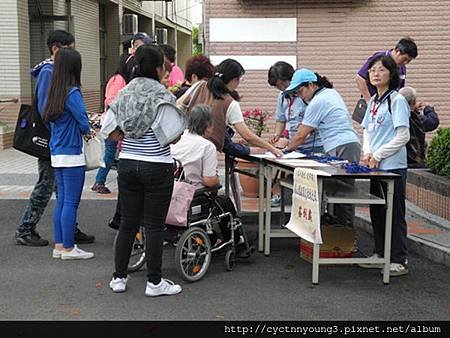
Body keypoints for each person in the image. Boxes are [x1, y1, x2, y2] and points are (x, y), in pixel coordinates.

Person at [106, 45, 182, 296]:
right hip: (157, 165)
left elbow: (109, 130)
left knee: (128, 222)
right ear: (159, 68)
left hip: (127, 162)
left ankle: (119, 278)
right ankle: (154, 282)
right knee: (154, 226)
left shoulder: (124, 93)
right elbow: (172, 137)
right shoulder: (163, 95)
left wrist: (129, 134)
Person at [15, 30, 94, 247]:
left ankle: (69, 231)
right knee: (47, 185)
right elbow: (45, 109)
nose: (72, 54)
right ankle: (26, 228)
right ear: (56, 48)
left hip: (56, 139)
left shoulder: (51, 71)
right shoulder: (49, 73)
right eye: (70, 49)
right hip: (54, 140)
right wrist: (60, 129)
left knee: (61, 191)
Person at [284, 68, 361, 226]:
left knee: (343, 193)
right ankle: (339, 231)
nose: (300, 96)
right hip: (346, 144)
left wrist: (284, 151)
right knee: (340, 191)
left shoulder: (317, 101)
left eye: (300, 91)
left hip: (341, 145)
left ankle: (344, 233)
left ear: (311, 85)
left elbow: (300, 135)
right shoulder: (330, 93)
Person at [359, 55, 411, 276]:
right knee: (377, 210)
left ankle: (399, 259)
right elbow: (367, 131)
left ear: (392, 73)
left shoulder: (397, 100)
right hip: (375, 165)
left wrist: (379, 154)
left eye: (381, 70)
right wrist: (367, 152)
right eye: (372, 70)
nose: (375, 74)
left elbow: (403, 135)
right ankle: (380, 253)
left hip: (393, 166)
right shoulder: (372, 101)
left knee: (394, 212)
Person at [43, 48, 94, 260]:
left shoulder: (53, 91)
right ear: (75, 68)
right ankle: (70, 248)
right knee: (71, 202)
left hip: (57, 152)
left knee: (62, 200)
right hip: (72, 152)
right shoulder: (72, 92)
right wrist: (89, 129)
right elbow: (83, 122)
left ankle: (59, 245)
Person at [178, 58, 283, 158]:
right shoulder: (230, 103)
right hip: (205, 152)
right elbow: (247, 135)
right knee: (207, 177)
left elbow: (178, 105)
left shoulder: (199, 85)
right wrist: (272, 148)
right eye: (239, 79)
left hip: (183, 146)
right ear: (234, 80)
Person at [91, 53, 132, 194]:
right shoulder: (119, 79)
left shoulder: (116, 78)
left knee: (112, 153)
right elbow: (111, 100)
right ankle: (99, 181)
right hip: (113, 124)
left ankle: (100, 181)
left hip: (113, 122)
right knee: (109, 154)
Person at [268, 61, 323, 153]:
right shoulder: (282, 96)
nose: (282, 88)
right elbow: (281, 119)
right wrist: (277, 134)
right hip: (296, 145)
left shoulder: (307, 93)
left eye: (283, 84)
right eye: (278, 86)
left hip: (316, 144)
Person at [171, 105, 220, 189]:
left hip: (171, 188)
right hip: (192, 193)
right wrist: (217, 180)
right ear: (208, 127)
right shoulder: (207, 146)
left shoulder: (176, 136)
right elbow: (209, 181)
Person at [356, 37, 418, 102]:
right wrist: (368, 101)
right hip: (374, 103)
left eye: (409, 61)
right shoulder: (378, 58)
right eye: (405, 59)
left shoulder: (402, 67)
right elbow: (360, 78)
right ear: (397, 51)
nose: (406, 63)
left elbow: (399, 89)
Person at [398, 86, 440, 168]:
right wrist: (428, 109)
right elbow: (433, 122)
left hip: (398, 159)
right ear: (413, 102)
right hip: (415, 160)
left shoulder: (395, 115)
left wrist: (414, 109)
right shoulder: (416, 118)